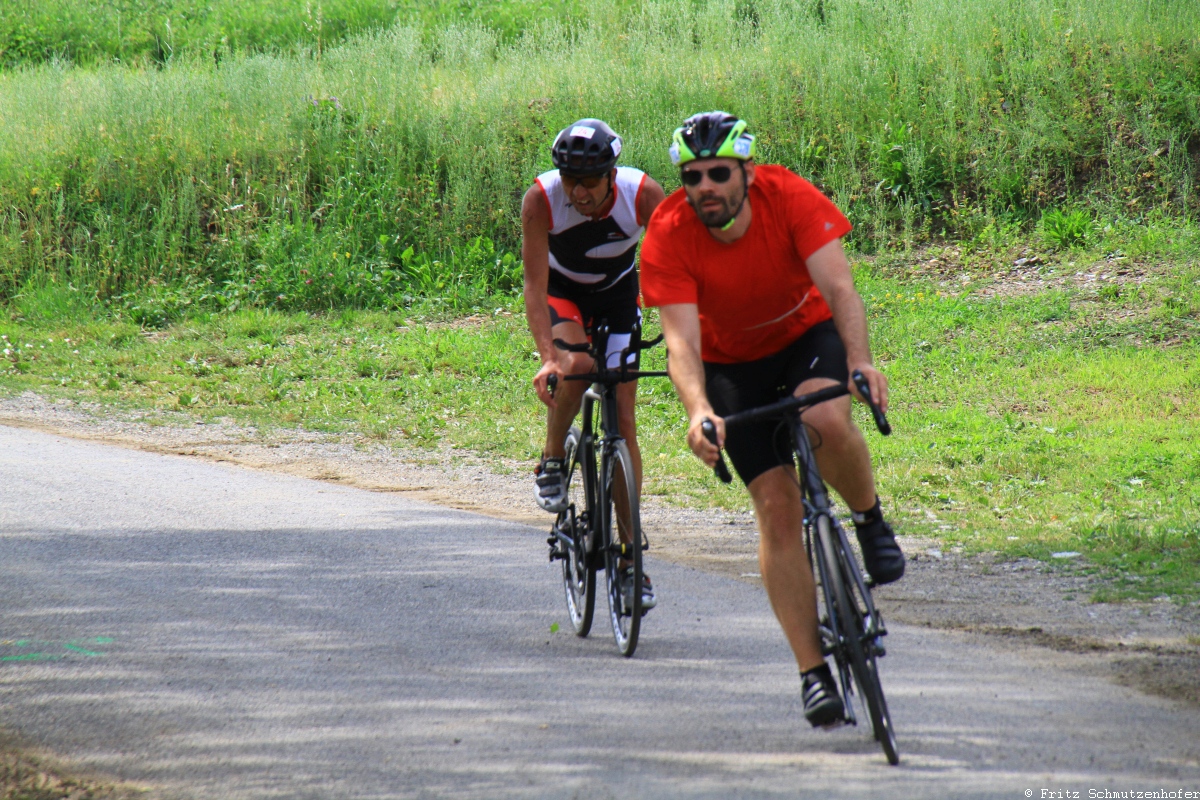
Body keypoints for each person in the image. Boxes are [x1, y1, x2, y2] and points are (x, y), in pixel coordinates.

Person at [639, 111, 905, 726]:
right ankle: (813, 673)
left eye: (719, 173)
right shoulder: (670, 232)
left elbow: (840, 290)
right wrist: (698, 410)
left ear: (748, 173)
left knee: (827, 420)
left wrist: (861, 362)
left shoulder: (788, 195)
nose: (705, 187)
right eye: (692, 177)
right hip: (732, 366)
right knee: (777, 508)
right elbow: (681, 343)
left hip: (804, 336)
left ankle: (869, 520)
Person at [522, 118, 666, 607]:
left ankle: (630, 560)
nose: (578, 193)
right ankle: (552, 458)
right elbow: (535, 286)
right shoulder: (541, 199)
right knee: (578, 368)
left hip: (618, 295)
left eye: (588, 181)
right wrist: (549, 358)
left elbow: (675, 263)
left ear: (611, 174)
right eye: (570, 180)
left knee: (623, 421)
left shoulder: (642, 195)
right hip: (562, 295)